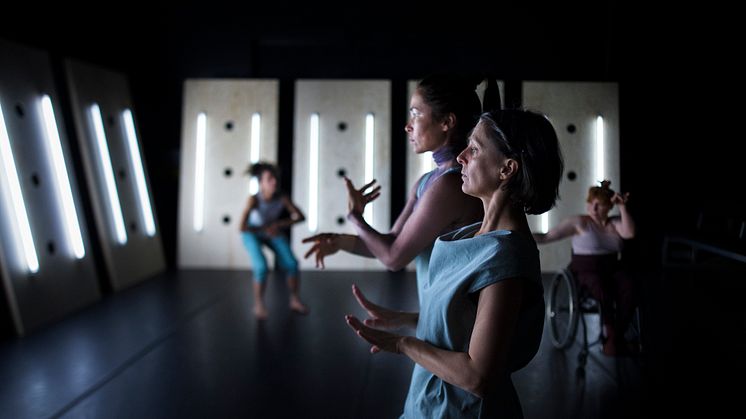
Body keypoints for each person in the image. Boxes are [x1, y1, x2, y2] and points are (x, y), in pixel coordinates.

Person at [345, 109, 564, 418]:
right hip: (428, 402)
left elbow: (477, 377)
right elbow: (467, 319)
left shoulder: (507, 256)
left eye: (474, 148)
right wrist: (408, 318)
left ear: (507, 169)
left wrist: (403, 345)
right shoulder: (470, 235)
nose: (461, 156)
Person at [302, 75, 484, 299]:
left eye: (416, 114)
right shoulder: (428, 181)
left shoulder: (451, 184)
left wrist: (355, 217)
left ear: (446, 122)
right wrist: (340, 241)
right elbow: (391, 242)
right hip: (435, 311)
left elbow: (393, 258)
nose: (408, 126)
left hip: (457, 318)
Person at [533, 180, 637, 356]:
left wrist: (623, 207)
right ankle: (611, 334)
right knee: (601, 287)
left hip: (612, 268)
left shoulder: (615, 223)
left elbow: (630, 233)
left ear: (609, 206)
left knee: (630, 287)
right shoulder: (580, 222)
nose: (594, 208)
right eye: (591, 203)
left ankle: (615, 336)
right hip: (585, 270)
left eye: (600, 205)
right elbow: (546, 237)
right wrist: (517, 233)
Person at [239, 162, 309, 319]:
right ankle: (258, 305)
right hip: (252, 232)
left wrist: (279, 224)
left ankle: (295, 300)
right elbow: (242, 227)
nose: (274, 182)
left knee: (292, 264)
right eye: (269, 179)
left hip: (271, 230)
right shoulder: (254, 200)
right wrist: (265, 228)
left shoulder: (282, 198)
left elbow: (301, 217)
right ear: (260, 183)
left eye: (275, 178)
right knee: (261, 267)